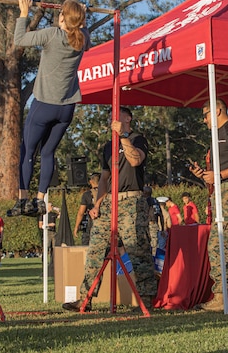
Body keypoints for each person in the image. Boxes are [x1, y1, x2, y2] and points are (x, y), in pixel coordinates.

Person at [63, 107, 155, 312]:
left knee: (136, 248)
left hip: (131, 200)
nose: (111, 119)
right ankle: (85, 298)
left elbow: (135, 160)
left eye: (116, 115)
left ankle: (145, 299)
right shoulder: (107, 146)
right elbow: (104, 178)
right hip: (109, 202)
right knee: (96, 248)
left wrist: (123, 135)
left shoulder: (138, 139)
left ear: (128, 118)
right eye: (109, 116)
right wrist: (97, 203)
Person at [7, 0, 90, 218]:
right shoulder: (83, 39)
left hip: (44, 105)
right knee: (48, 152)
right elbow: (82, 29)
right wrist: (82, 16)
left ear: (62, 17)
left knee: (28, 151)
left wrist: (24, 13)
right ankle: (41, 198)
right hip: (66, 108)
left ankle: (23, 199)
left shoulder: (52, 34)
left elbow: (20, 39)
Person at [189, 99, 228, 311]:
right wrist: (205, 175)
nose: (204, 120)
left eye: (206, 114)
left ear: (217, 111)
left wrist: (219, 175)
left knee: (220, 245)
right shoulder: (216, 136)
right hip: (222, 191)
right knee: (224, 245)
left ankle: (221, 294)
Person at [74, 172, 100, 245]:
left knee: (87, 244)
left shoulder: (87, 194)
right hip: (106, 221)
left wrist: (76, 226)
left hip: (92, 223)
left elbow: (81, 213)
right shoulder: (106, 192)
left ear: (91, 182)